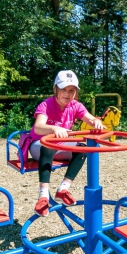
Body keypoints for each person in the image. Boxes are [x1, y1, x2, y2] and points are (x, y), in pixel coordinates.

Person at [28, 70, 105, 217]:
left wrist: (97, 122)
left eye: (72, 90)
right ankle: (43, 196)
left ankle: (63, 189)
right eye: (63, 89)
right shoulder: (46, 105)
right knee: (49, 145)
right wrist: (54, 128)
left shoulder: (75, 105)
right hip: (39, 145)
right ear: (55, 89)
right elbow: (38, 127)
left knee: (83, 149)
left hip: (60, 145)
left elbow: (90, 119)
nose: (67, 94)